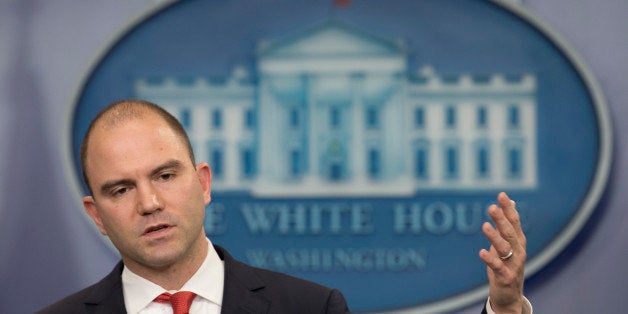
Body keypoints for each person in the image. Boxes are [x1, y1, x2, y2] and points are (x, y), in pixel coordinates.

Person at [39, 99, 530, 313]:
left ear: (203, 182)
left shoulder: (312, 309)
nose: (149, 202)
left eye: (165, 176)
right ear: (95, 214)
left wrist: (505, 311)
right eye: (121, 189)